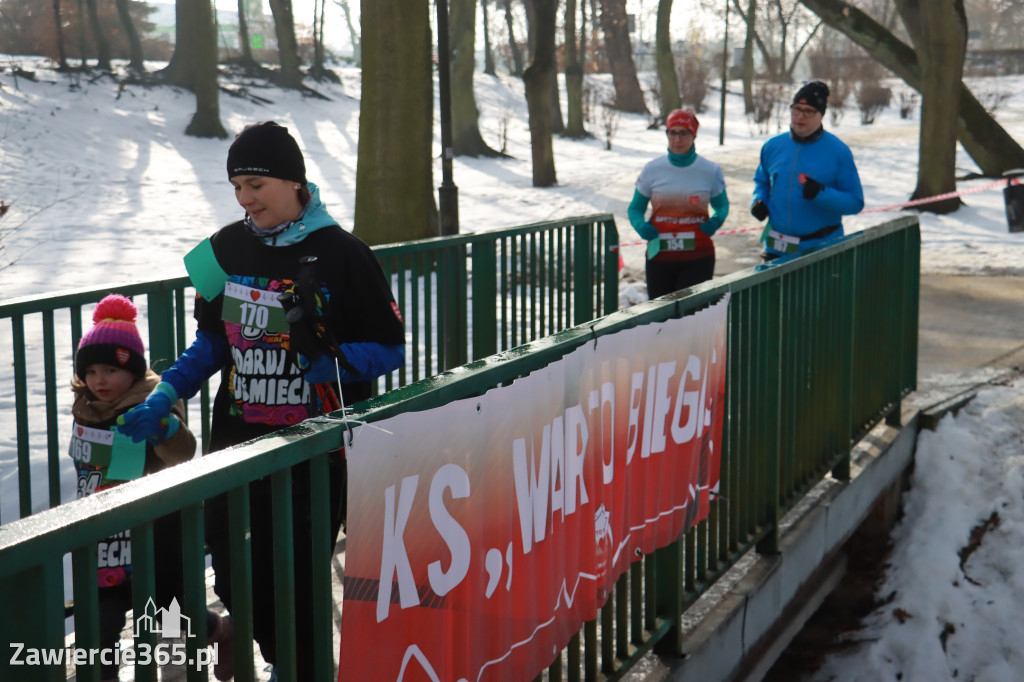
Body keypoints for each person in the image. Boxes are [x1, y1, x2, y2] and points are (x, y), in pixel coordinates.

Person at [118, 121, 406, 681]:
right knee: (228, 569)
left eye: (256, 184)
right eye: (237, 188)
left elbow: (391, 347)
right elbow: (211, 343)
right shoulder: (223, 249)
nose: (246, 199)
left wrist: (340, 362)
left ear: (294, 181)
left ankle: (292, 667)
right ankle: (259, 645)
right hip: (237, 443)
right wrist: (167, 393)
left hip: (314, 449)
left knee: (295, 577)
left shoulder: (344, 253)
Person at [70, 294, 231, 682]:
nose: (99, 380)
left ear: (135, 368)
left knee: (171, 612)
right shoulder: (85, 406)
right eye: (91, 371)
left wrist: (165, 430)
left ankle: (213, 635)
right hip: (105, 537)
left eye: (110, 369)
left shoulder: (152, 401)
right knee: (99, 626)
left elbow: (183, 452)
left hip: (158, 533)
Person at [750, 81, 865, 261]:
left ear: (821, 115)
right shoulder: (772, 147)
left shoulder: (838, 152)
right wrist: (758, 201)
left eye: (808, 111)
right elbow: (762, 182)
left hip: (820, 249)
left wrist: (821, 194)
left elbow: (855, 202)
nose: (800, 117)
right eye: (796, 110)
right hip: (776, 248)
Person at [628, 108, 730, 299]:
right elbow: (635, 208)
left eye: (683, 133)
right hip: (660, 256)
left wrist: (716, 221)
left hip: (698, 256)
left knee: (692, 315)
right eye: (672, 133)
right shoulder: (652, 169)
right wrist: (640, 226)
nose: (677, 139)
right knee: (660, 319)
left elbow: (722, 205)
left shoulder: (709, 171)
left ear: (694, 135)